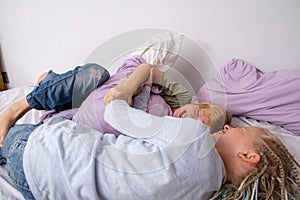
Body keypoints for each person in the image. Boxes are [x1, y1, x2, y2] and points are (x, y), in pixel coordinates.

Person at [0, 65, 299, 199]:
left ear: (248, 155)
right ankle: (45, 90)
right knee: (90, 76)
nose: (230, 129)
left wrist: (125, 91)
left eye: (233, 129)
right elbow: (150, 70)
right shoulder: (205, 191)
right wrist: (141, 80)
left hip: (43, 153)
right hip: (43, 191)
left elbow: (116, 111)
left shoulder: (194, 136)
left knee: (32, 134)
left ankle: (24, 108)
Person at [0, 55, 231, 147]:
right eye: (196, 111)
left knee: (53, 137)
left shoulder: (168, 135)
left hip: (79, 118)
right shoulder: (178, 99)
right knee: (96, 72)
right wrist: (131, 87)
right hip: (100, 90)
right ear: (197, 104)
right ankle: (18, 107)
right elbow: (147, 69)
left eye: (195, 123)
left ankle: (50, 90)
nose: (187, 116)